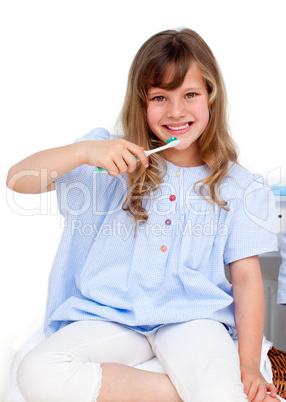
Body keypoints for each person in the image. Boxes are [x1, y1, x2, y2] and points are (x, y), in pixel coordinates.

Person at [6, 28, 279, 402]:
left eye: (191, 95)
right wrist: (85, 152)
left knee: (221, 386)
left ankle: (213, 385)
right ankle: (180, 391)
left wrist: (247, 363)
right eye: (159, 97)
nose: (176, 111)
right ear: (142, 103)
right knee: (36, 371)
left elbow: (246, 279)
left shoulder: (240, 185)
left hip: (193, 318)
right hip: (109, 317)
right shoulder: (111, 158)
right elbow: (17, 180)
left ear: (211, 98)